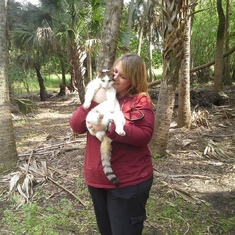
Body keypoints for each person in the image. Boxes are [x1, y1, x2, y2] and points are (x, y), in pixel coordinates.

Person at [70, 53, 155, 235]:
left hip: (128, 183)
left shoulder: (140, 101)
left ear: (133, 80)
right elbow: (76, 126)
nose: (114, 78)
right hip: (97, 181)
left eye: (122, 76)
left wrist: (109, 126)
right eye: (114, 72)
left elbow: (143, 136)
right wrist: (94, 100)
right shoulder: (102, 94)